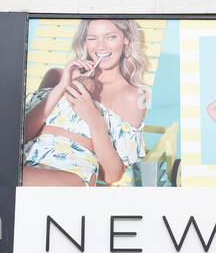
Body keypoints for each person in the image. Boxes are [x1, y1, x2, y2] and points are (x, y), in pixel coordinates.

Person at [21, 18, 150, 187]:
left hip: (69, 172)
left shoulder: (132, 96)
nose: (100, 46)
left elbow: (112, 175)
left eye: (110, 37)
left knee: (3, 178)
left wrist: (93, 117)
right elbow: (21, 137)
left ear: (126, 39)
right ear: (84, 42)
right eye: (92, 38)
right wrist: (61, 87)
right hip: (24, 159)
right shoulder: (57, 76)